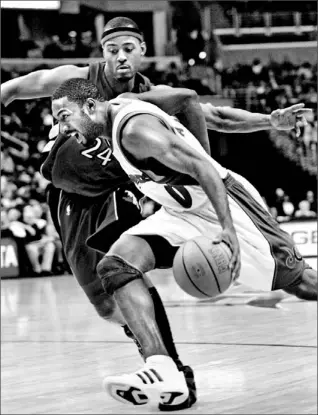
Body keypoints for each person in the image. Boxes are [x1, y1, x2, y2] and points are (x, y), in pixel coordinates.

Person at [1, 16, 312, 409]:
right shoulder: (77, 81)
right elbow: (12, 89)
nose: (120, 58)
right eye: (112, 50)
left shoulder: (147, 102)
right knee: (107, 305)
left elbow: (209, 114)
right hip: (68, 200)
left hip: (117, 197)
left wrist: (267, 121)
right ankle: (155, 352)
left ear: (142, 51)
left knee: (122, 266)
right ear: (103, 53)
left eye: (128, 49)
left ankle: (170, 370)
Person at [51, 78, 317, 408]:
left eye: (64, 116)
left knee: (303, 284)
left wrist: (228, 231)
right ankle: (163, 369)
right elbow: (208, 113)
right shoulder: (123, 109)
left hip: (223, 202)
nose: (61, 128)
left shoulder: (134, 132)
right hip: (180, 210)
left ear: (91, 107)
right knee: (117, 264)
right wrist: (268, 121)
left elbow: (204, 168)